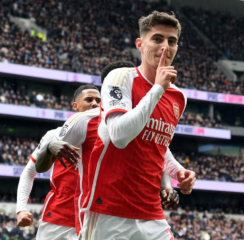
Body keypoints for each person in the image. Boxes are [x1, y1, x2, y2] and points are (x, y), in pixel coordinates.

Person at [81, 11, 196, 240]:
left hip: (152, 211)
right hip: (109, 209)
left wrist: (177, 172)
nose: (165, 46)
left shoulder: (178, 98)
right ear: (140, 44)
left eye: (172, 41)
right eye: (157, 38)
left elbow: (158, 145)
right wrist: (157, 90)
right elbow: (120, 136)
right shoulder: (120, 78)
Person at [16, 84, 101, 240]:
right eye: (89, 99)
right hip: (57, 219)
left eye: (98, 100)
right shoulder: (54, 135)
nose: (95, 104)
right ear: (75, 106)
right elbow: (29, 172)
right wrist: (21, 209)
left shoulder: (107, 136)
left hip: (93, 218)